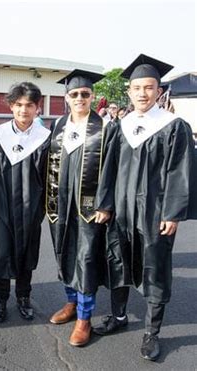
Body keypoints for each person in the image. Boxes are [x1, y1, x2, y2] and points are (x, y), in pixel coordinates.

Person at [94, 54, 195, 361]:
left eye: (148, 87)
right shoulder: (118, 126)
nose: (142, 93)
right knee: (118, 262)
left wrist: (172, 213)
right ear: (128, 92)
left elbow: (181, 172)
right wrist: (105, 205)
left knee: (154, 268)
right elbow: (107, 170)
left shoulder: (173, 126)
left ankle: (152, 332)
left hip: (155, 214)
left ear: (159, 90)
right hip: (121, 212)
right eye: (136, 88)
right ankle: (120, 316)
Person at [46, 69, 115, 346]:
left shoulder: (106, 128)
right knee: (64, 252)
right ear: (66, 98)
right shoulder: (59, 125)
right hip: (59, 204)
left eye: (85, 94)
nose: (79, 98)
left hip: (89, 208)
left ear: (92, 96)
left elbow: (112, 170)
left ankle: (84, 318)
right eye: (74, 94)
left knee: (85, 258)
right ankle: (71, 303)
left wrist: (105, 204)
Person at [0, 82, 51, 323]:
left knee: (27, 254)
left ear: (37, 108)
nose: (24, 110)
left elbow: (49, 176)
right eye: (19, 105)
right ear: (12, 106)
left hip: (32, 209)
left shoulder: (45, 137)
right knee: (1, 254)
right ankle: (0, 299)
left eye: (29, 105)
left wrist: (44, 208)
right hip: (2, 208)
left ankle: (23, 297)